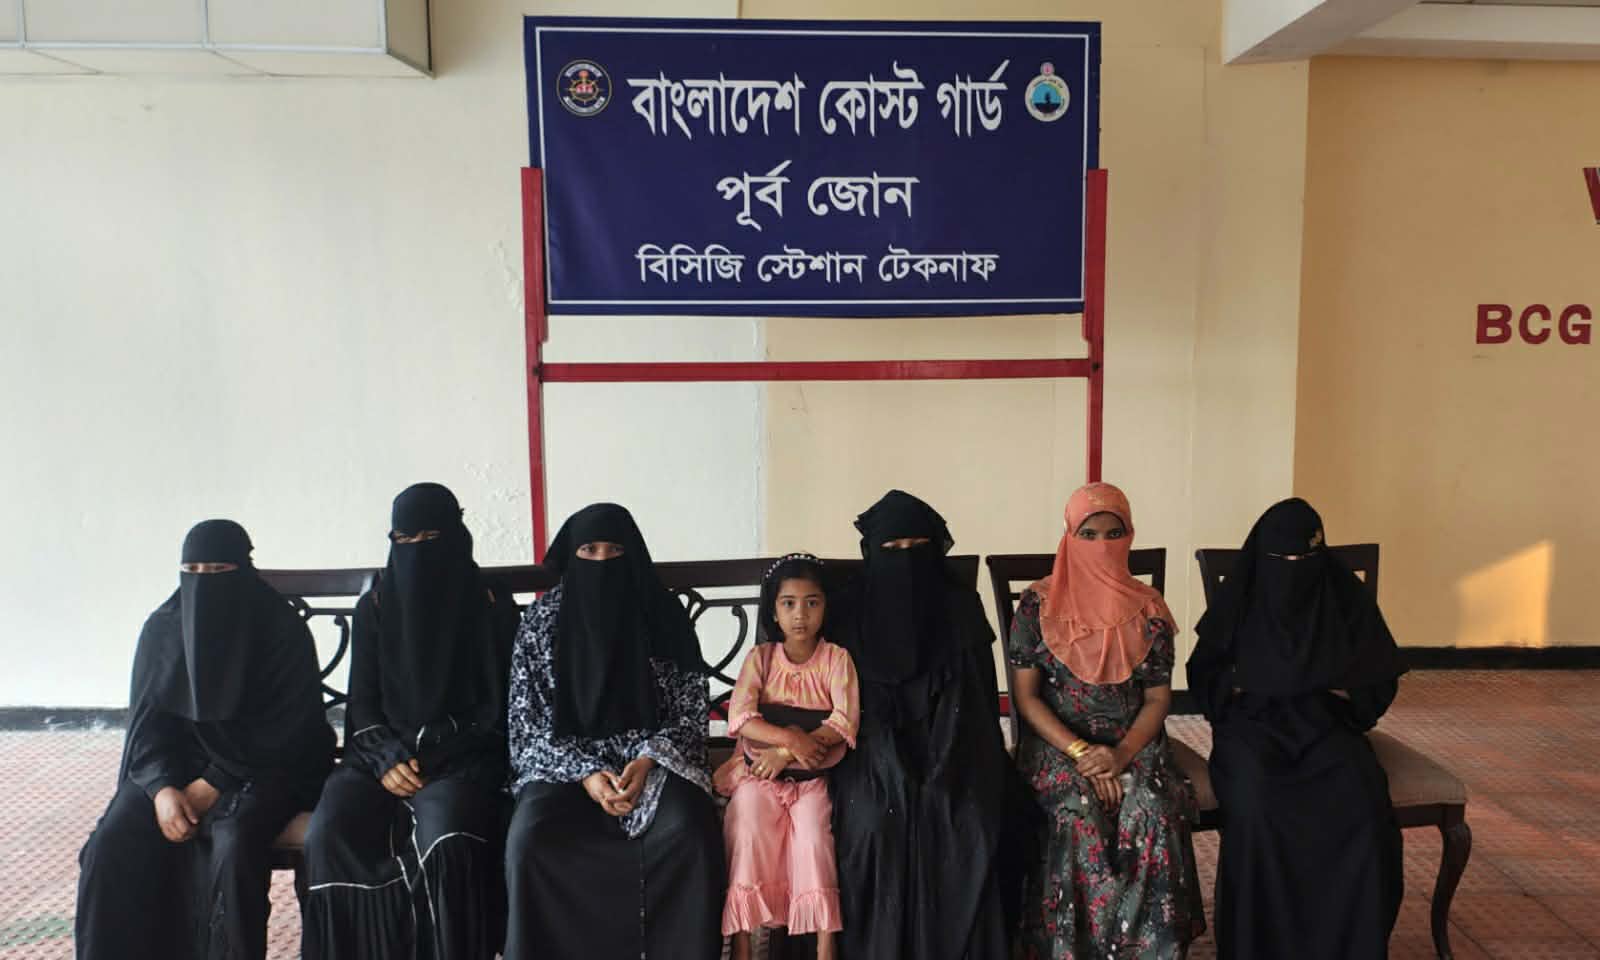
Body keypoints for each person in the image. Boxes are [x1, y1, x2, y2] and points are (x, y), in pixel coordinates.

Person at [75, 520, 335, 960]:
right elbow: (147, 727)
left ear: (244, 569)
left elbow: (292, 730)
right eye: (192, 571)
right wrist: (162, 790)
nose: (204, 581)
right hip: (174, 769)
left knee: (232, 844)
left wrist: (214, 781)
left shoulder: (279, 628)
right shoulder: (164, 627)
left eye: (218, 570)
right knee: (111, 844)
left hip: (267, 768)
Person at [300, 483, 519, 959]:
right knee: (329, 835)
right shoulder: (376, 607)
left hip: (464, 758)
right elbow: (363, 704)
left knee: (447, 840)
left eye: (431, 539)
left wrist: (429, 754)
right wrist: (386, 758)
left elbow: (500, 708)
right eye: (404, 540)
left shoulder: (489, 606)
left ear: (457, 537)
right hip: (379, 759)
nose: (417, 552)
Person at [1186, 498, 1406, 960]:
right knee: (1258, 808)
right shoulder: (1242, 600)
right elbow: (1207, 677)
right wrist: (1266, 682)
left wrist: (1295, 681)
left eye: (1303, 558)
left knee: (1363, 808)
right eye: (1280, 560)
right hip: (1252, 731)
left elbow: (1377, 680)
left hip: (1328, 729)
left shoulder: (1343, 596)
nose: (1292, 569)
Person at [503, 503, 724, 960]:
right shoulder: (544, 620)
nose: (602, 560)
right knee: (531, 840)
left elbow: (689, 710)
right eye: (589, 549)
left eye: (615, 550)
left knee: (690, 831)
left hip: (654, 761)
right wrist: (586, 773)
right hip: (564, 765)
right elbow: (528, 723)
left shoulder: (661, 615)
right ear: (572, 554)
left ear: (633, 553)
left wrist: (647, 760)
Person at [1008, 483, 1202, 960]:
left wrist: (1120, 755)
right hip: (1056, 745)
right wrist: (1080, 753)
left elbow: (1157, 698)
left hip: (1133, 743)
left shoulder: (1149, 608)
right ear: (1069, 536)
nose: (1102, 545)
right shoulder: (1038, 606)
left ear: (1130, 535)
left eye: (1114, 533)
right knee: (1078, 812)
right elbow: (1026, 699)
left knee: (1152, 809)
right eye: (1088, 533)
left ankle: (1147, 951)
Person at [828, 490, 1013, 960]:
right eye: (892, 550)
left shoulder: (960, 607)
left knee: (963, 815)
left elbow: (975, 706)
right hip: (867, 748)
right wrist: (891, 763)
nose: (906, 562)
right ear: (871, 554)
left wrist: (938, 766)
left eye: (917, 548)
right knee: (874, 821)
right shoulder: (848, 611)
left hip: (956, 746)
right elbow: (843, 703)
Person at [715, 553, 860, 960]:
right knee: (748, 824)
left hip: (814, 777)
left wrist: (787, 751)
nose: (801, 614)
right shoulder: (760, 659)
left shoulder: (836, 659)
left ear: (826, 607)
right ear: (774, 610)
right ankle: (743, 941)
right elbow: (741, 717)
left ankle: (825, 943)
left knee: (814, 835)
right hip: (759, 774)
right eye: (789, 603)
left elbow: (843, 721)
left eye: (812, 602)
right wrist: (787, 742)